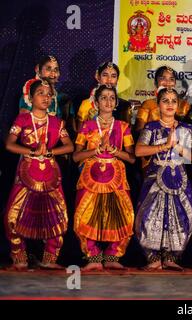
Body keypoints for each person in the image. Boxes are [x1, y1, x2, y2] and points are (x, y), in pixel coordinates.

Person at [5, 79, 74, 270]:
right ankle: (20, 257)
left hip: (50, 172)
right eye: (41, 93)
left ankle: (50, 259)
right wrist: (31, 152)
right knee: (13, 215)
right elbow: (9, 144)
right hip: (26, 170)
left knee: (59, 216)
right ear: (30, 98)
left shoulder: (57, 122)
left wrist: (50, 153)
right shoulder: (23, 119)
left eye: (49, 94)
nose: (46, 97)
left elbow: (69, 146)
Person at [73, 85, 135, 271]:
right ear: (96, 102)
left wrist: (116, 151)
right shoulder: (87, 126)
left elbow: (132, 158)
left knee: (124, 215)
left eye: (111, 98)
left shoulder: (123, 127)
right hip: (90, 177)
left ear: (116, 103)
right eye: (104, 98)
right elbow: (76, 156)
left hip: (116, 176)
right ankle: (92, 256)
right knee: (84, 215)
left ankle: (112, 255)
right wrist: (95, 150)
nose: (108, 101)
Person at [134, 88, 192, 271]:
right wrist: (164, 146)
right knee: (149, 215)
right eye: (165, 101)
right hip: (155, 177)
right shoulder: (151, 127)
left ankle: (172, 257)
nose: (170, 104)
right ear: (158, 104)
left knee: (182, 216)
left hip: (179, 179)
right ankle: (152, 257)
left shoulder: (187, 128)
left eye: (173, 101)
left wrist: (178, 148)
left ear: (178, 105)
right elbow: (139, 151)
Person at [19, 55, 75, 135]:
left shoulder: (63, 98)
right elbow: (24, 126)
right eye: (48, 69)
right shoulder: (29, 97)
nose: (53, 73)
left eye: (56, 70)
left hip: (58, 141)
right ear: (38, 69)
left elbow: (70, 128)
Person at [76, 62, 132, 131]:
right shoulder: (86, 104)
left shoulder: (124, 106)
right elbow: (79, 135)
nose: (109, 79)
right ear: (98, 77)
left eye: (113, 76)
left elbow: (127, 134)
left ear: (117, 80)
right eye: (105, 75)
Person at [135, 66, 191, 131]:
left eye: (171, 79)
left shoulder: (185, 105)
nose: (168, 82)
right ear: (155, 82)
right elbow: (138, 132)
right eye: (163, 78)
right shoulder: (148, 105)